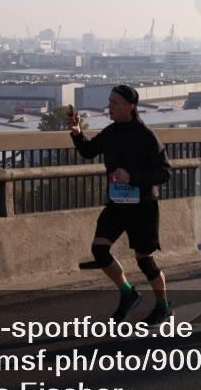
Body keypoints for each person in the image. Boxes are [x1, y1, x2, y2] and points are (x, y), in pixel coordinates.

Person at [69, 85, 173, 325]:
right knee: (99, 250)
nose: (109, 107)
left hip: (143, 206)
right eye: (110, 102)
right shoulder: (111, 132)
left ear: (130, 107)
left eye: (114, 103)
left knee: (144, 260)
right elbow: (89, 151)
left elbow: (164, 172)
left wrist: (132, 178)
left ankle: (163, 306)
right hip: (117, 204)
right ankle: (127, 292)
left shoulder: (146, 135)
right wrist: (76, 132)